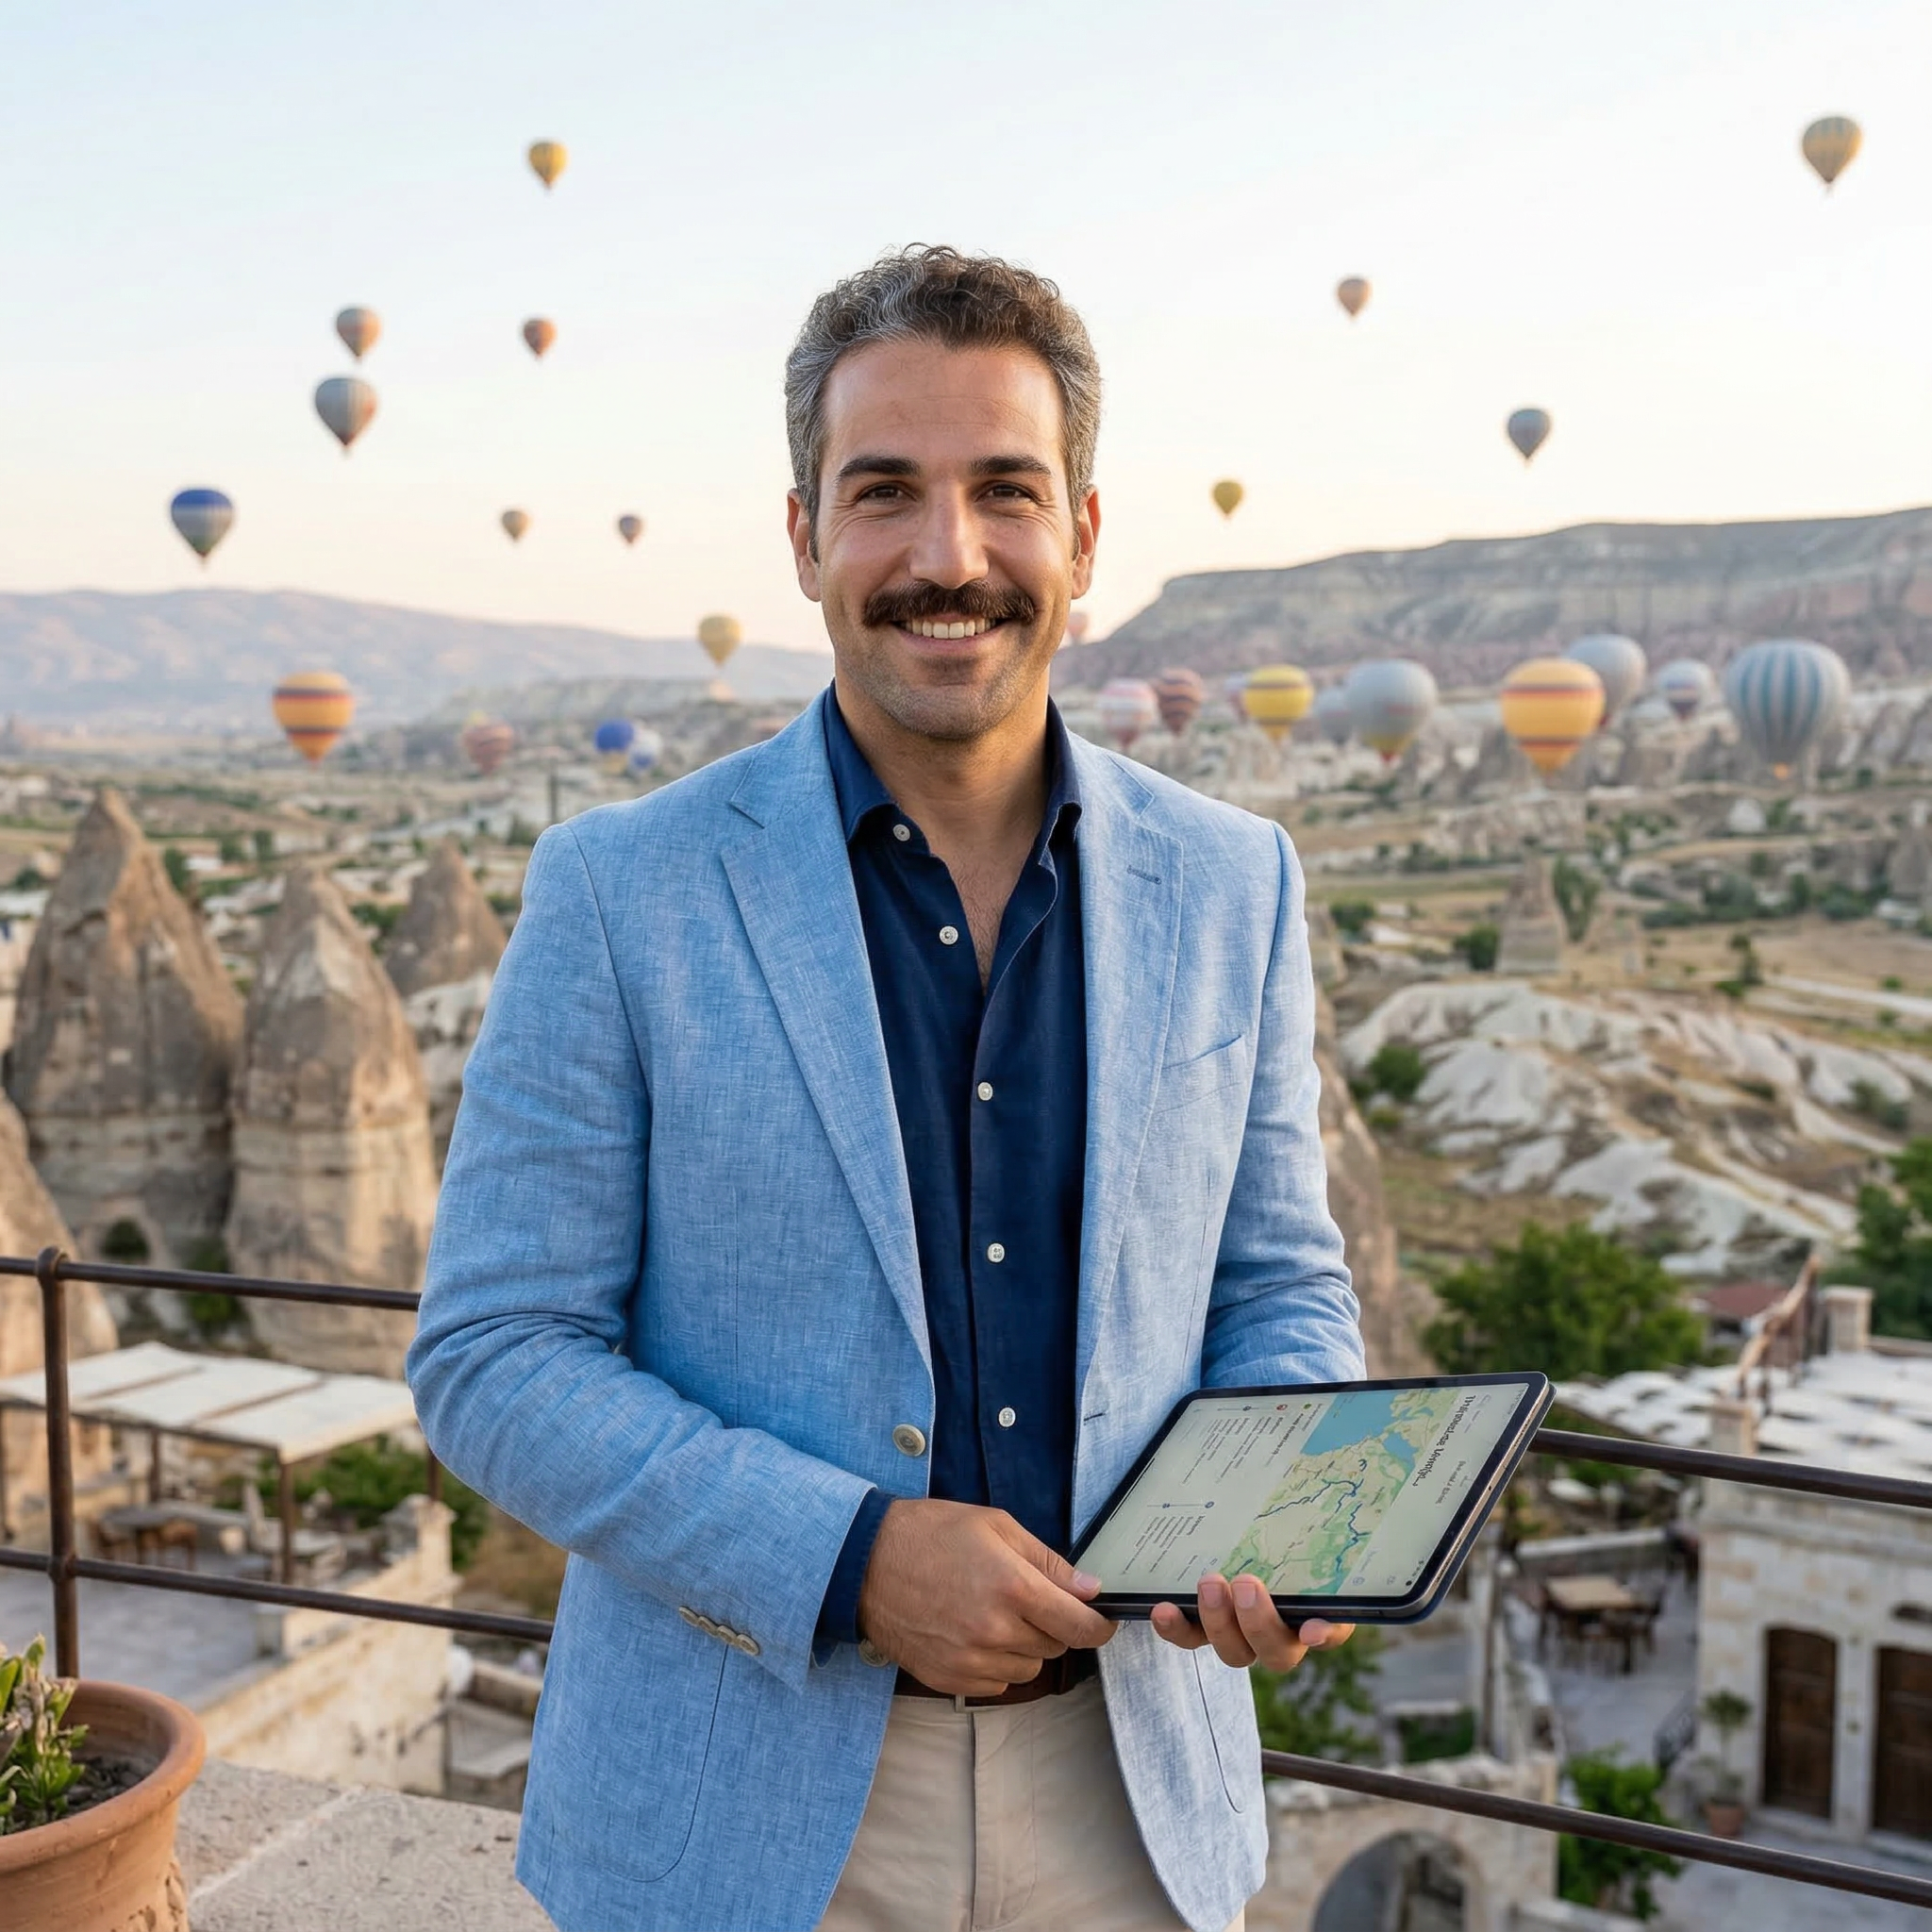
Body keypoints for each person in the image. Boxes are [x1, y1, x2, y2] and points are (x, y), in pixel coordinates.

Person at [408, 245, 1363, 1932]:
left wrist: (1288, 1519)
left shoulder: (1239, 884)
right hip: (739, 1803)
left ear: (1083, 532)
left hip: (1131, 1796)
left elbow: (1279, 1284)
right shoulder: (622, 890)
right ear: (803, 539)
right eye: (884, 494)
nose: (949, 558)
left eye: (1006, 491)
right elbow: (494, 1355)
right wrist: (846, 1557)